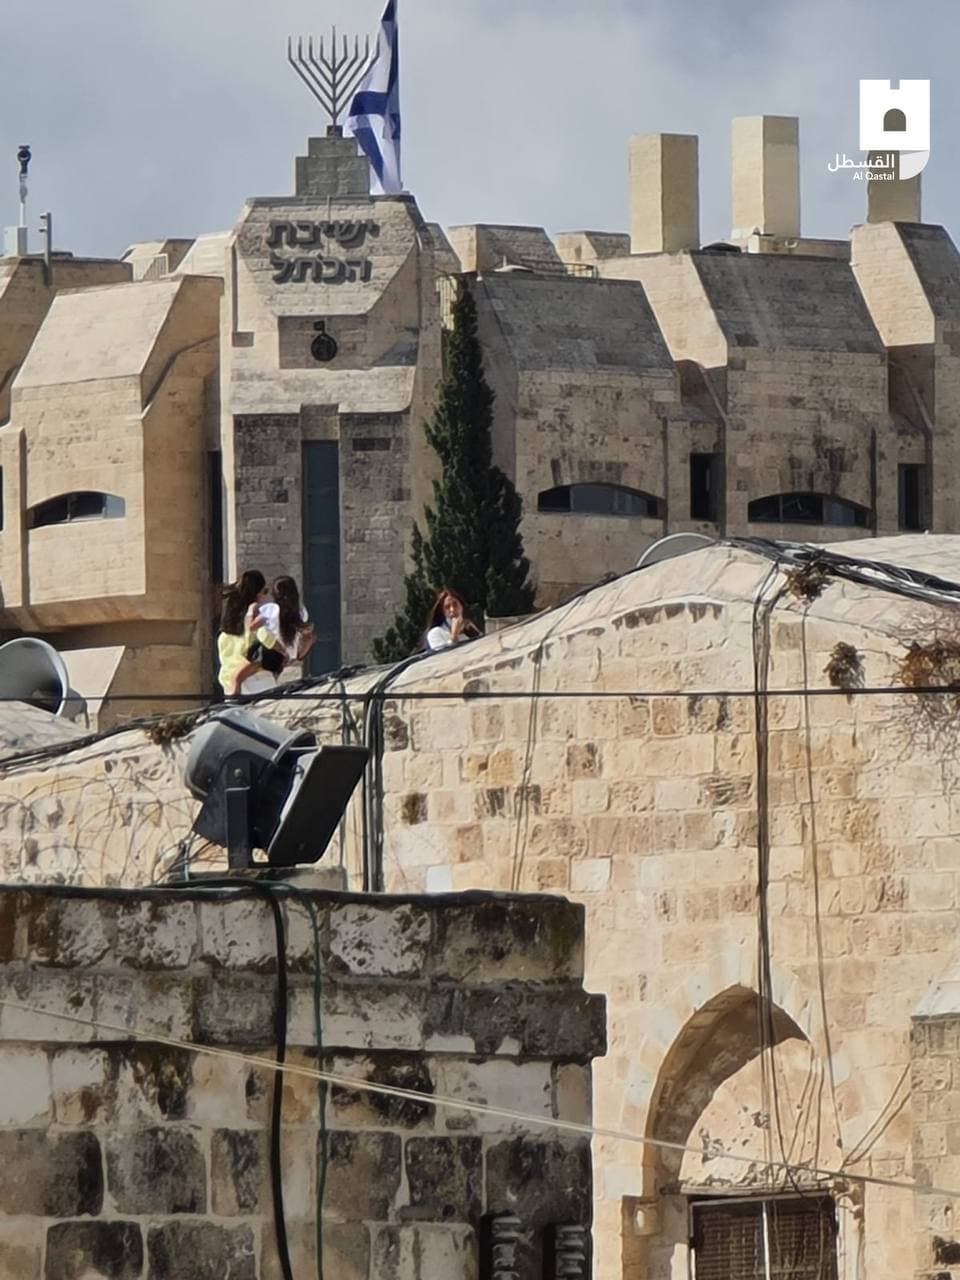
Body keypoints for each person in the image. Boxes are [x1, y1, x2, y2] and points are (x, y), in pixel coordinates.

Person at [217, 570, 280, 697]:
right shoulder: (255, 613)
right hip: (256, 679)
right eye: (265, 591)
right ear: (257, 593)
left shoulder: (227, 629)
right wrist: (282, 649)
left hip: (230, 684)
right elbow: (265, 637)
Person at [259, 576, 316, 667]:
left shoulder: (267, 610)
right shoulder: (301, 612)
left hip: (267, 660)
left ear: (274, 594)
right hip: (288, 662)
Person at [424, 588, 480, 652]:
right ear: (443, 612)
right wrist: (454, 636)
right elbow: (442, 655)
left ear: (461, 606)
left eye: (455, 604)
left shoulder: (470, 628)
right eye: (447, 607)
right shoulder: (435, 633)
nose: (452, 610)